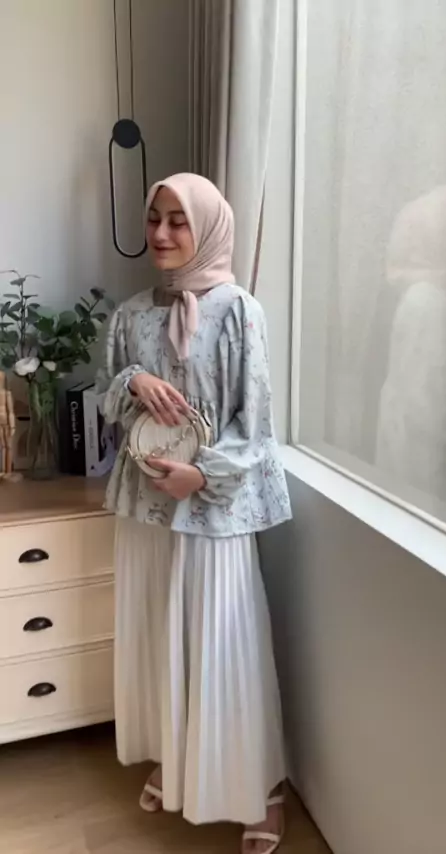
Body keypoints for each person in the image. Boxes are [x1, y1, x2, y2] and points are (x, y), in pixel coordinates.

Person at [97, 173, 292, 854]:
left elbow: (255, 421)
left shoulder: (239, 311)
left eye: (177, 220)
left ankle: (259, 789)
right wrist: (132, 380)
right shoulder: (130, 316)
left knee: (224, 646)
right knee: (159, 637)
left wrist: (202, 475)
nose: (160, 233)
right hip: (146, 507)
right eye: (154, 218)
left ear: (208, 227)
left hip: (212, 506)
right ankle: (175, 759)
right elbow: (107, 401)